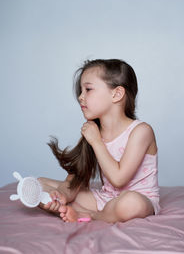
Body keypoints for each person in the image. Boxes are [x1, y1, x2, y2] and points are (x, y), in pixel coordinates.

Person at [38, 59, 160, 223]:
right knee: (38, 185)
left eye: (88, 89)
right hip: (106, 198)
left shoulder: (141, 131)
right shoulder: (94, 131)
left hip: (138, 200)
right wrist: (62, 195)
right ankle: (67, 208)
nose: (81, 97)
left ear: (116, 94)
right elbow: (76, 177)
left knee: (130, 203)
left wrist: (96, 141)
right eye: (80, 91)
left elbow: (118, 179)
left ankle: (88, 215)